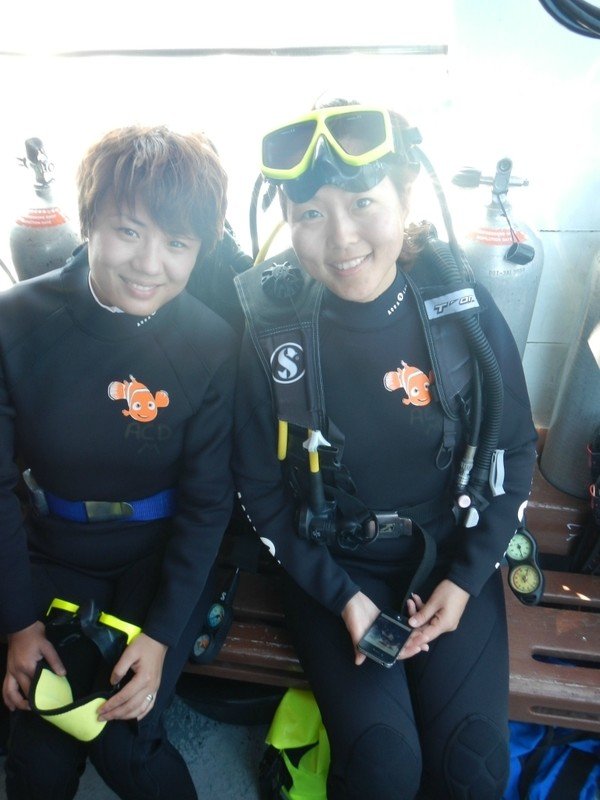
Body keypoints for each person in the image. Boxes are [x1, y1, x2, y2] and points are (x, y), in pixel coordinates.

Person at [233, 101, 538, 799]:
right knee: (383, 768)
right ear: (287, 220)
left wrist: (465, 580)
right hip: (332, 566)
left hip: (452, 556)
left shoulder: (459, 301)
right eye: (311, 213)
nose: (341, 238)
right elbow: (260, 491)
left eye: (363, 202)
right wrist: (340, 597)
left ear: (405, 197)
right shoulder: (270, 331)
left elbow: (515, 451)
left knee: (473, 768)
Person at [0, 124, 240, 799]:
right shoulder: (16, 322)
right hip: (53, 548)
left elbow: (207, 505)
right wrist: (19, 625)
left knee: (125, 743)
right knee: (37, 759)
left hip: (157, 558)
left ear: (200, 249)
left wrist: (159, 637)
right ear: (89, 224)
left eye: (177, 243)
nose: (150, 264)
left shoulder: (210, 344)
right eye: (129, 231)